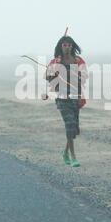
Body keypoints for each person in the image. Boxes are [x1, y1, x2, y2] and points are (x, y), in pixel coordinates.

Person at [45, 35, 88, 167]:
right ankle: (73, 157)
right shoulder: (56, 62)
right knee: (69, 124)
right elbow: (47, 77)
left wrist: (73, 75)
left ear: (72, 46)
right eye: (64, 45)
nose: (67, 47)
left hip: (75, 96)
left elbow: (84, 76)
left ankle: (64, 152)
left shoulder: (78, 61)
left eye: (69, 45)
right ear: (61, 46)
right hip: (62, 97)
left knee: (74, 128)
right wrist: (54, 74)